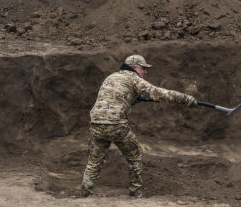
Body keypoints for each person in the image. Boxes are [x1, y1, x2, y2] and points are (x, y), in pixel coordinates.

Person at [81, 54, 198, 198]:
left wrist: (136, 99)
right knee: (134, 158)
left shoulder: (111, 78)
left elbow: (116, 99)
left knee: (94, 162)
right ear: (135, 67)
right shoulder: (133, 78)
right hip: (117, 125)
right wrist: (186, 98)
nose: (145, 72)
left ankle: (85, 194)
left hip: (96, 123)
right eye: (143, 68)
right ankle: (135, 192)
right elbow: (157, 92)